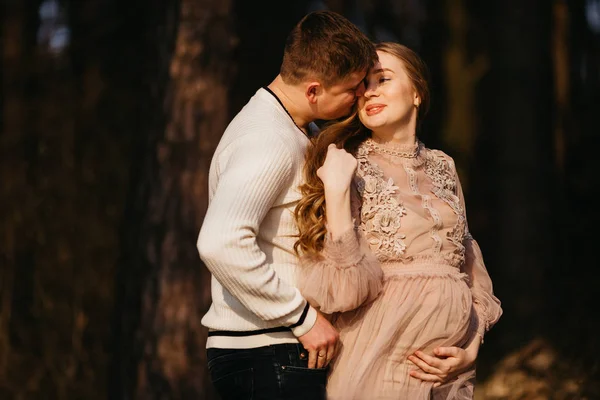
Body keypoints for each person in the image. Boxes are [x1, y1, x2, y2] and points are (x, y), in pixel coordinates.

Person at [294, 42, 503, 399]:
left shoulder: (444, 165)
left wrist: (470, 350)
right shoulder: (348, 165)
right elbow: (344, 290)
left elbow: (468, 264)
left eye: (383, 79)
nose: (369, 92)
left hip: (447, 373)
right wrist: (337, 193)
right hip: (378, 359)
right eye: (363, 85)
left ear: (417, 92)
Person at [196, 11, 378, 400]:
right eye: (352, 87)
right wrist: (302, 317)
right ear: (313, 90)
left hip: (277, 349)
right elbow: (219, 241)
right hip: (267, 352)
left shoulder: (291, 128)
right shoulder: (268, 138)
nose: (361, 94)